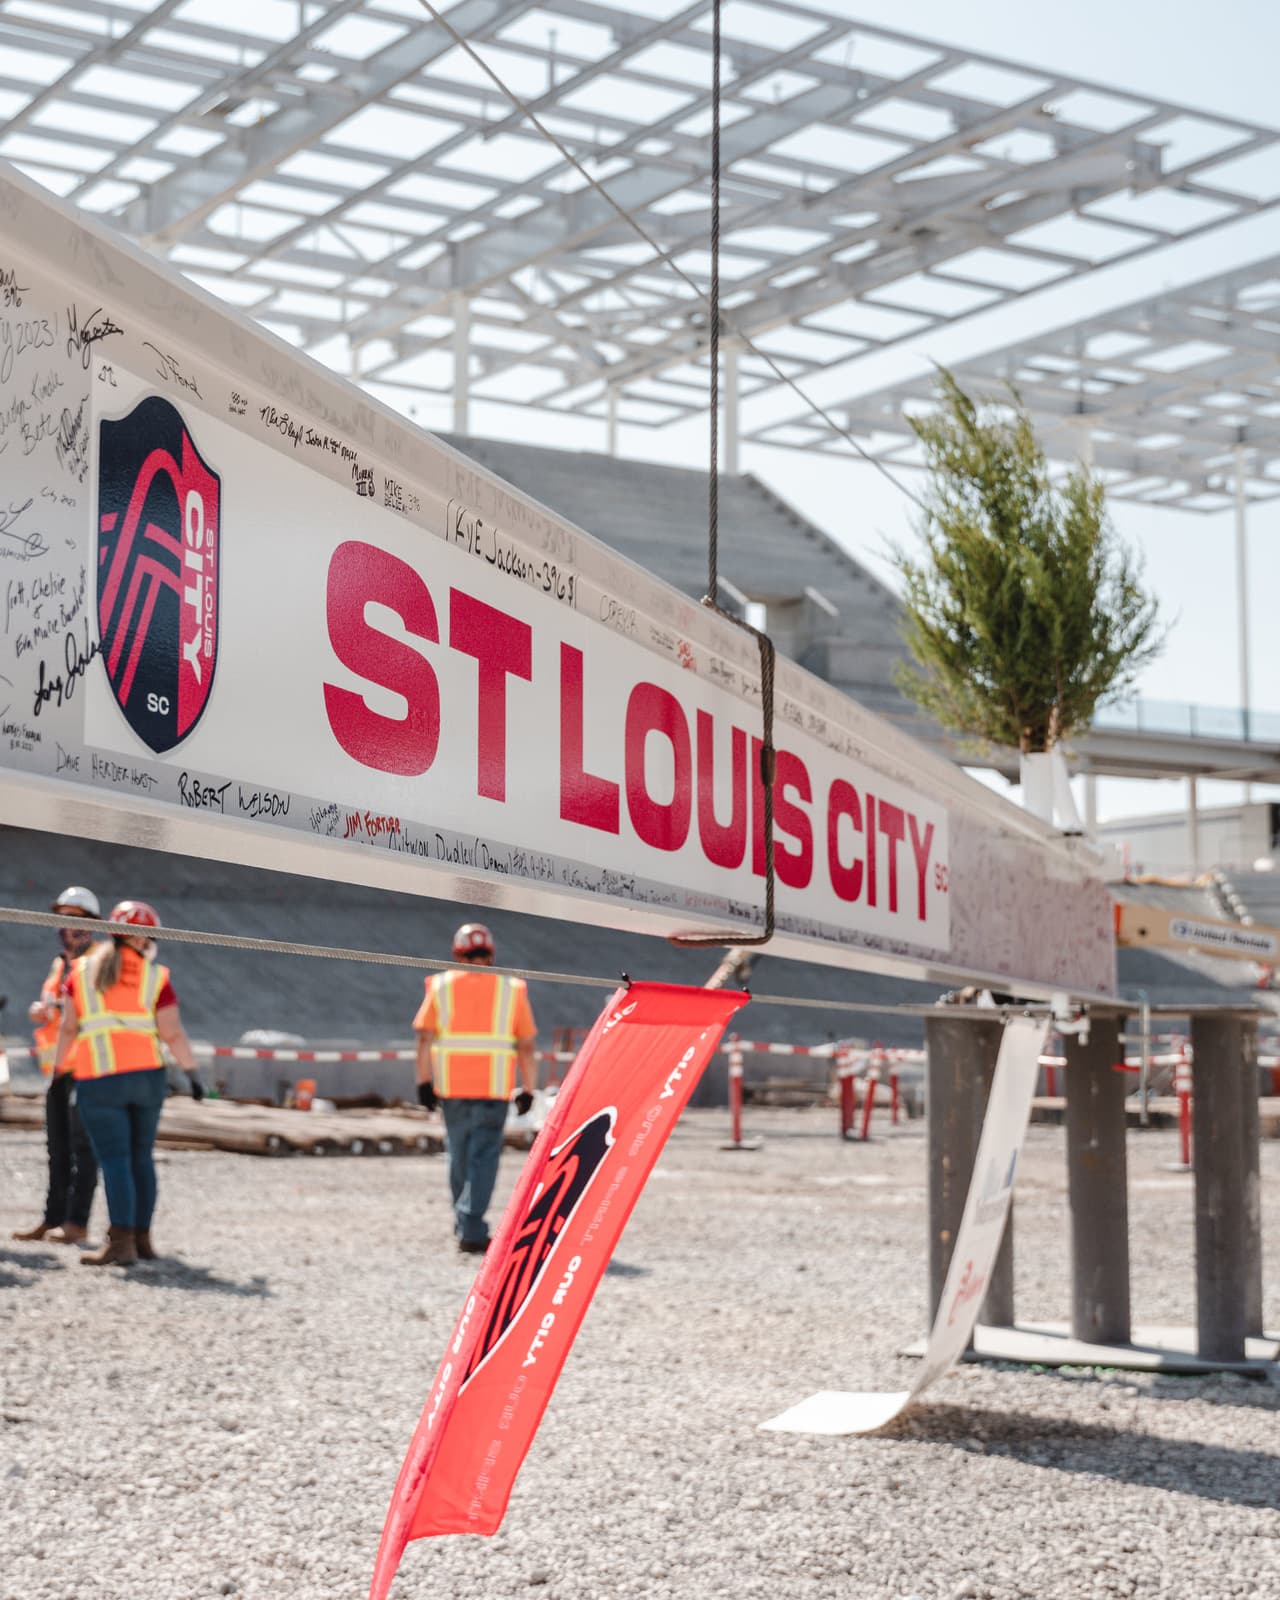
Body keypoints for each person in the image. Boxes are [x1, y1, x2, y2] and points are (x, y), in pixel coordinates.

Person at [53, 900, 204, 1267]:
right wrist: (193, 1074)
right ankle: (142, 1239)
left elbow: (69, 1027)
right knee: (140, 1158)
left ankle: (121, 1245)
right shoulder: (156, 976)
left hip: (100, 1081)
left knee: (116, 1160)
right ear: (145, 938)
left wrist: (58, 1071)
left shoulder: (83, 970)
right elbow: (172, 1032)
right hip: (148, 1079)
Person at [414, 923, 537, 1255]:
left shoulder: (440, 986)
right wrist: (529, 1088)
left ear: (457, 952)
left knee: (459, 1156)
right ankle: (470, 1226)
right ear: (491, 953)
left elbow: (424, 1038)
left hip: (452, 1088)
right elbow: (525, 1046)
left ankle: (463, 1222)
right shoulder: (512, 989)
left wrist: (423, 1082)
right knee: (483, 1160)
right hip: (493, 1089)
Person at [12, 885, 102, 1246]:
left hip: (88, 1066)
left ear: (92, 923)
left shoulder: (98, 961)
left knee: (83, 1147)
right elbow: (56, 1010)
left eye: (74, 918)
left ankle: (77, 1223)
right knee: (57, 1148)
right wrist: (42, 1011)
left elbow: (93, 1011)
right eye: (62, 917)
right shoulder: (59, 964)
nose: (66, 925)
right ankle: (53, 1218)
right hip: (58, 1068)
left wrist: (57, 1011)